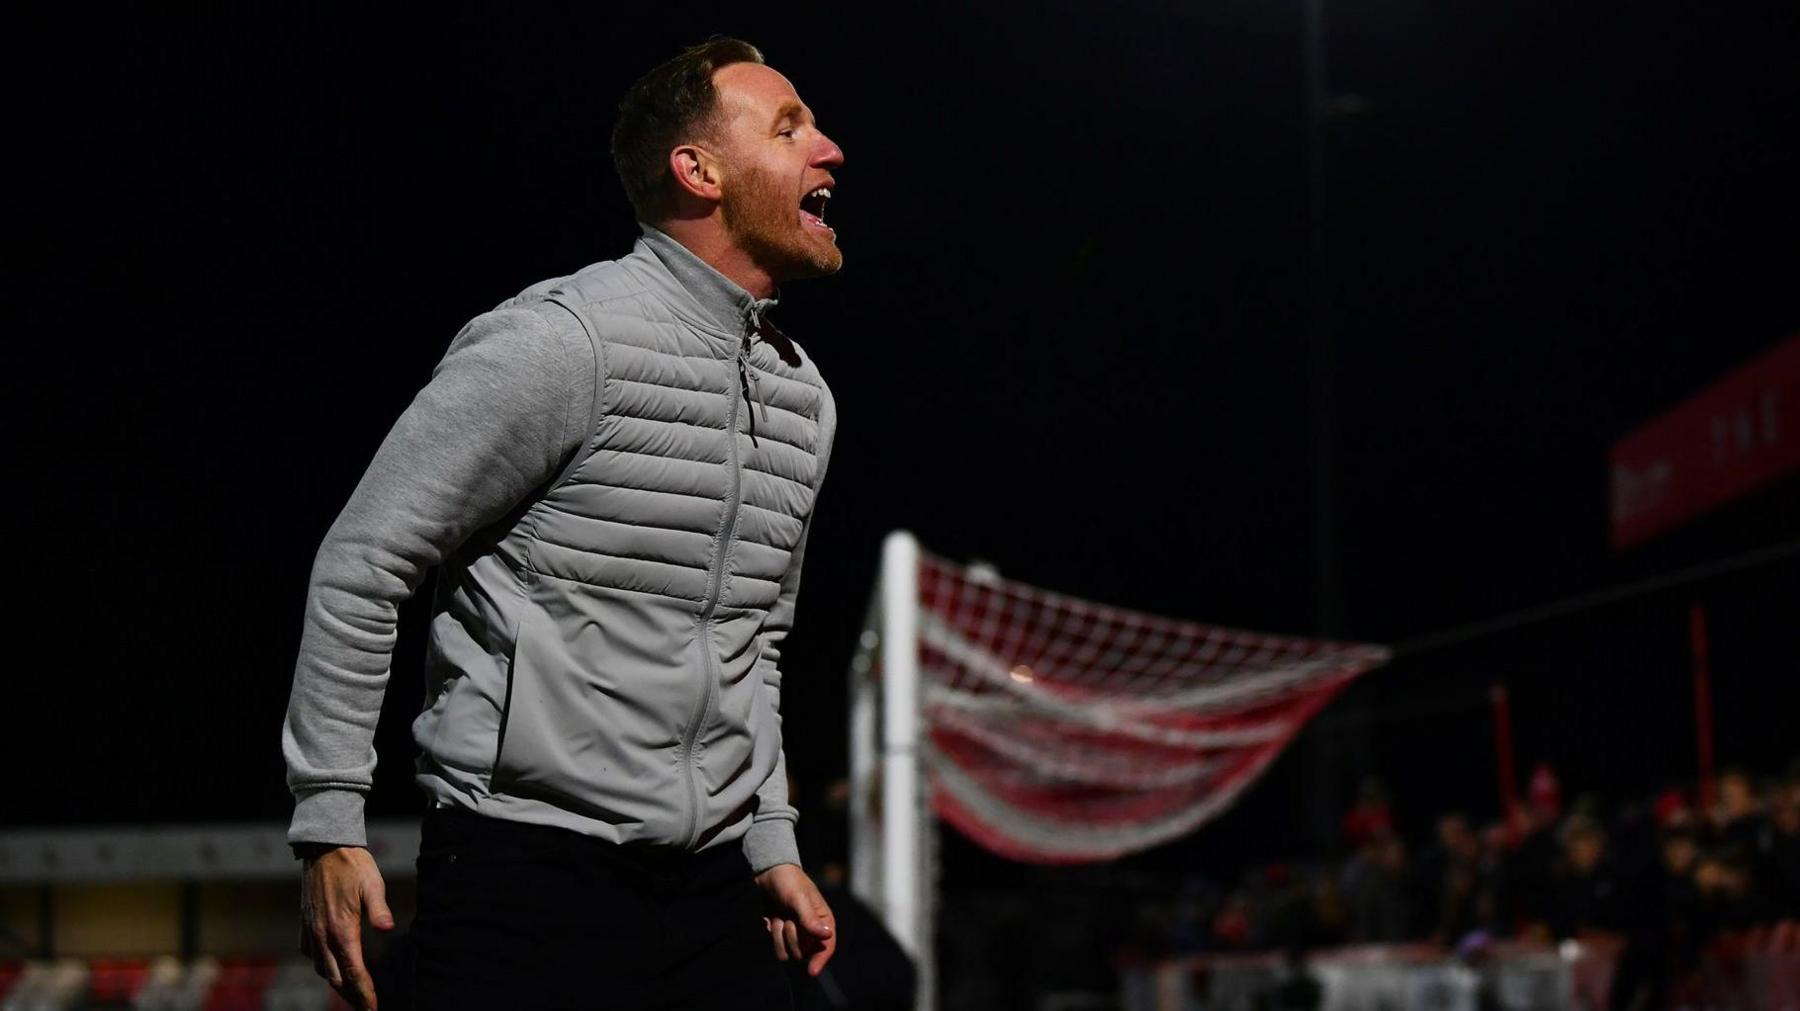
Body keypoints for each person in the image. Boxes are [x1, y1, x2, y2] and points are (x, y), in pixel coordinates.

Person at [280, 37, 847, 1011]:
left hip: (714, 889)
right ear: (698, 170)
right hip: (524, 876)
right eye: (789, 127)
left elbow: (756, 641)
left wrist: (771, 842)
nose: (829, 148)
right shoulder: (560, 342)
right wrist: (331, 823)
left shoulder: (806, 398)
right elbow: (364, 564)